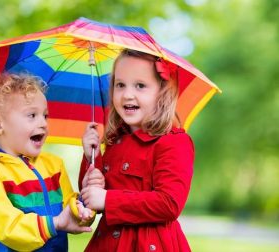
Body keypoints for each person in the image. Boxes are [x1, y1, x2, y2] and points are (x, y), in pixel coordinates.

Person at [0, 72, 101, 251]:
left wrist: (83, 203)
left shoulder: (53, 165)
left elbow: (68, 213)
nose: (44, 123)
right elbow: (8, 227)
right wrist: (55, 223)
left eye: (45, 116)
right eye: (32, 115)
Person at [79, 49, 195, 252]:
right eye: (120, 85)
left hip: (149, 245)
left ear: (162, 91)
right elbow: (92, 199)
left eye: (140, 85)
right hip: (107, 244)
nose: (127, 94)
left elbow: (169, 203)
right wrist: (91, 157)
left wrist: (108, 199)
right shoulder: (115, 143)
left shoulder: (174, 142)